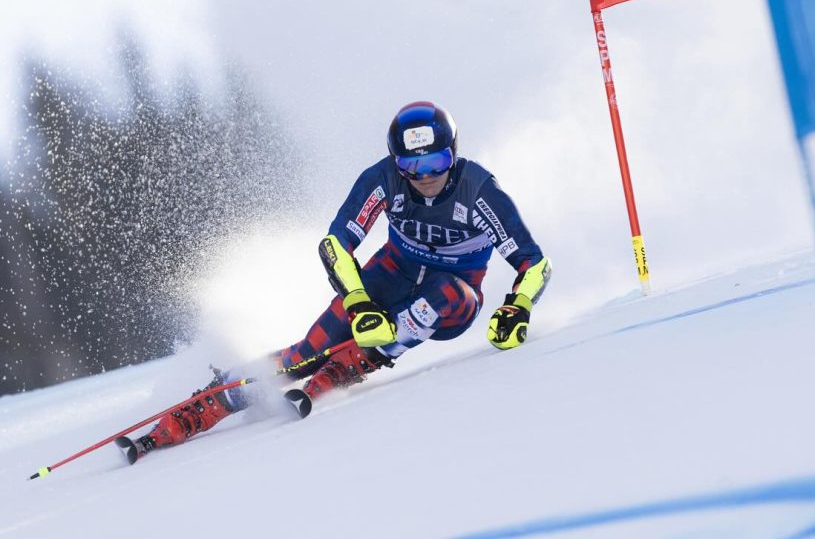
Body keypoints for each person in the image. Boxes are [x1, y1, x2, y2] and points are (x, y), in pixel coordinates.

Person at [120, 101, 551, 462]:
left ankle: (360, 361)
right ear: (396, 163)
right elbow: (335, 244)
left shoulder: (478, 190)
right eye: (411, 165)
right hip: (392, 274)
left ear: (452, 155)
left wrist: (518, 307)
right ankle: (203, 406)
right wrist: (360, 303)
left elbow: (533, 263)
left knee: (443, 297)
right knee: (304, 355)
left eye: (436, 162)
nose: (424, 177)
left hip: (454, 296)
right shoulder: (382, 179)